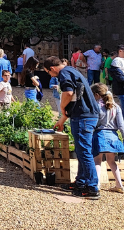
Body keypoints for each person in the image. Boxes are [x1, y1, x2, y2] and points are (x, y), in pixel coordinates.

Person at [42, 55, 101, 199]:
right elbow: (75, 98)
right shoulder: (72, 70)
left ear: (52, 68)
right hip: (85, 115)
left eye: (48, 73)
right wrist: (62, 120)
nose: (50, 75)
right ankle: (80, 183)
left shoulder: (64, 74)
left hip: (83, 117)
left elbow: (68, 93)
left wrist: (61, 107)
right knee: (82, 151)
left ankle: (93, 188)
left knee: (84, 152)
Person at [90, 83, 124, 194]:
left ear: (96, 94)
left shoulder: (97, 106)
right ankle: (119, 184)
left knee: (97, 161)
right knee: (112, 162)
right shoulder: (116, 106)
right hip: (113, 136)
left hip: (100, 135)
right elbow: (121, 124)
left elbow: (95, 122)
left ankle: (96, 185)